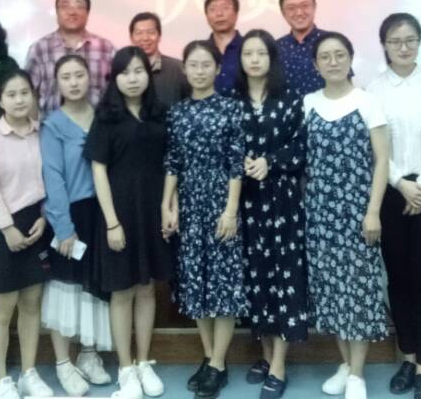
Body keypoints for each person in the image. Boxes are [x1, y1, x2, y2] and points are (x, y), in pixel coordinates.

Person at [366, 13, 421, 399]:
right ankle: (408, 356)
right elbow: (377, 148)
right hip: (392, 192)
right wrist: (401, 184)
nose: (403, 47)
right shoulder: (374, 89)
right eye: (395, 41)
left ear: (419, 42)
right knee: (398, 279)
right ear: (384, 45)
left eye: (410, 40)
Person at [305, 33, 390, 399]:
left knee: (357, 290)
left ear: (351, 59)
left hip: (357, 211)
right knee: (330, 291)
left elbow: (382, 160)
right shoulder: (308, 103)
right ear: (316, 64)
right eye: (325, 56)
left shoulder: (368, 102)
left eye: (340, 55)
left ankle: (357, 374)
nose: (333, 61)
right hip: (319, 212)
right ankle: (345, 364)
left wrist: (373, 211)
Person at [87, 47, 173, 399]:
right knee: (122, 290)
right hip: (119, 213)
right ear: (115, 78)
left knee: (147, 288)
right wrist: (111, 222)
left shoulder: (160, 114)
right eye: (125, 72)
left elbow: (172, 165)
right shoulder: (106, 117)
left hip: (153, 211)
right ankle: (125, 368)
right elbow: (98, 170)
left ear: (148, 75)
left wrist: (171, 207)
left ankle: (143, 362)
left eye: (139, 71)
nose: (133, 78)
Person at [164, 40, 248, 399]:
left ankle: (217, 363)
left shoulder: (232, 109)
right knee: (195, 281)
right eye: (193, 65)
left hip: (220, 203)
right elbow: (173, 161)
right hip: (189, 205)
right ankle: (212, 358)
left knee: (223, 284)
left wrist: (230, 210)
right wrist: (167, 204)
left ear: (217, 69)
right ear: (184, 69)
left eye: (205, 64)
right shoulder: (177, 112)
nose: (199, 71)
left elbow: (236, 163)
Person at [234, 30, 308, 399]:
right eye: (248, 53)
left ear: (271, 58)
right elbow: (224, 146)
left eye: (261, 53)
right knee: (256, 279)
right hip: (245, 202)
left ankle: (279, 365)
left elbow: (303, 146)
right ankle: (265, 355)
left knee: (283, 277)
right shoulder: (232, 101)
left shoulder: (291, 99)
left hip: (282, 202)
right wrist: (242, 161)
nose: (254, 59)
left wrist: (271, 161)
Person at [0, 69, 54, 399]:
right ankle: (0, 379)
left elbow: (53, 178)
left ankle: (28, 373)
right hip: (3, 228)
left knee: (32, 304)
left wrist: (46, 216)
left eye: (25, 93)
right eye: (11, 94)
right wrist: (7, 228)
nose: (20, 100)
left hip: (37, 222)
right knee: (2, 310)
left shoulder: (43, 133)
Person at [41, 56, 113, 396]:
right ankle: (63, 362)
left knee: (94, 286)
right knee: (65, 286)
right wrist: (63, 228)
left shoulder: (103, 117)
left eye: (79, 75)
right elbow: (52, 177)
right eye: (66, 77)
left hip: (101, 212)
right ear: (57, 83)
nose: (73, 82)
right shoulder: (53, 125)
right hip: (68, 214)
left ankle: (89, 353)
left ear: (89, 78)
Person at [26, 0, 115, 115]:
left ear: (88, 13)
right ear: (57, 12)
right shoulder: (39, 48)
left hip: (99, 124)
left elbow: (116, 90)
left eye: (79, 6)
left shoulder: (106, 48)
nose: (72, 12)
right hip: (53, 125)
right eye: (65, 6)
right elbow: (30, 93)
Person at [129, 11, 189, 110]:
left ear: (159, 36)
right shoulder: (124, 71)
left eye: (151, 32)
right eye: (139, 33)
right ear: (131, 38)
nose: (145, 38)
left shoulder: (178, 68)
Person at [275, 0, 325, 96]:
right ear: (283, 13)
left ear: (314, 7)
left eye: (304, 5)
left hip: (325, 107)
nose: (299, 13)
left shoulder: (331, 42)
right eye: (291, 8)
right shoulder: (275, 48)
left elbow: (345, 84)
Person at [203, 0, 243, 96]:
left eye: (225, 8)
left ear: (236, 14)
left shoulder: (249, 49)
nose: (219, 14)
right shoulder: (201, 51)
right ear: (206, 16)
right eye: (212, 9)